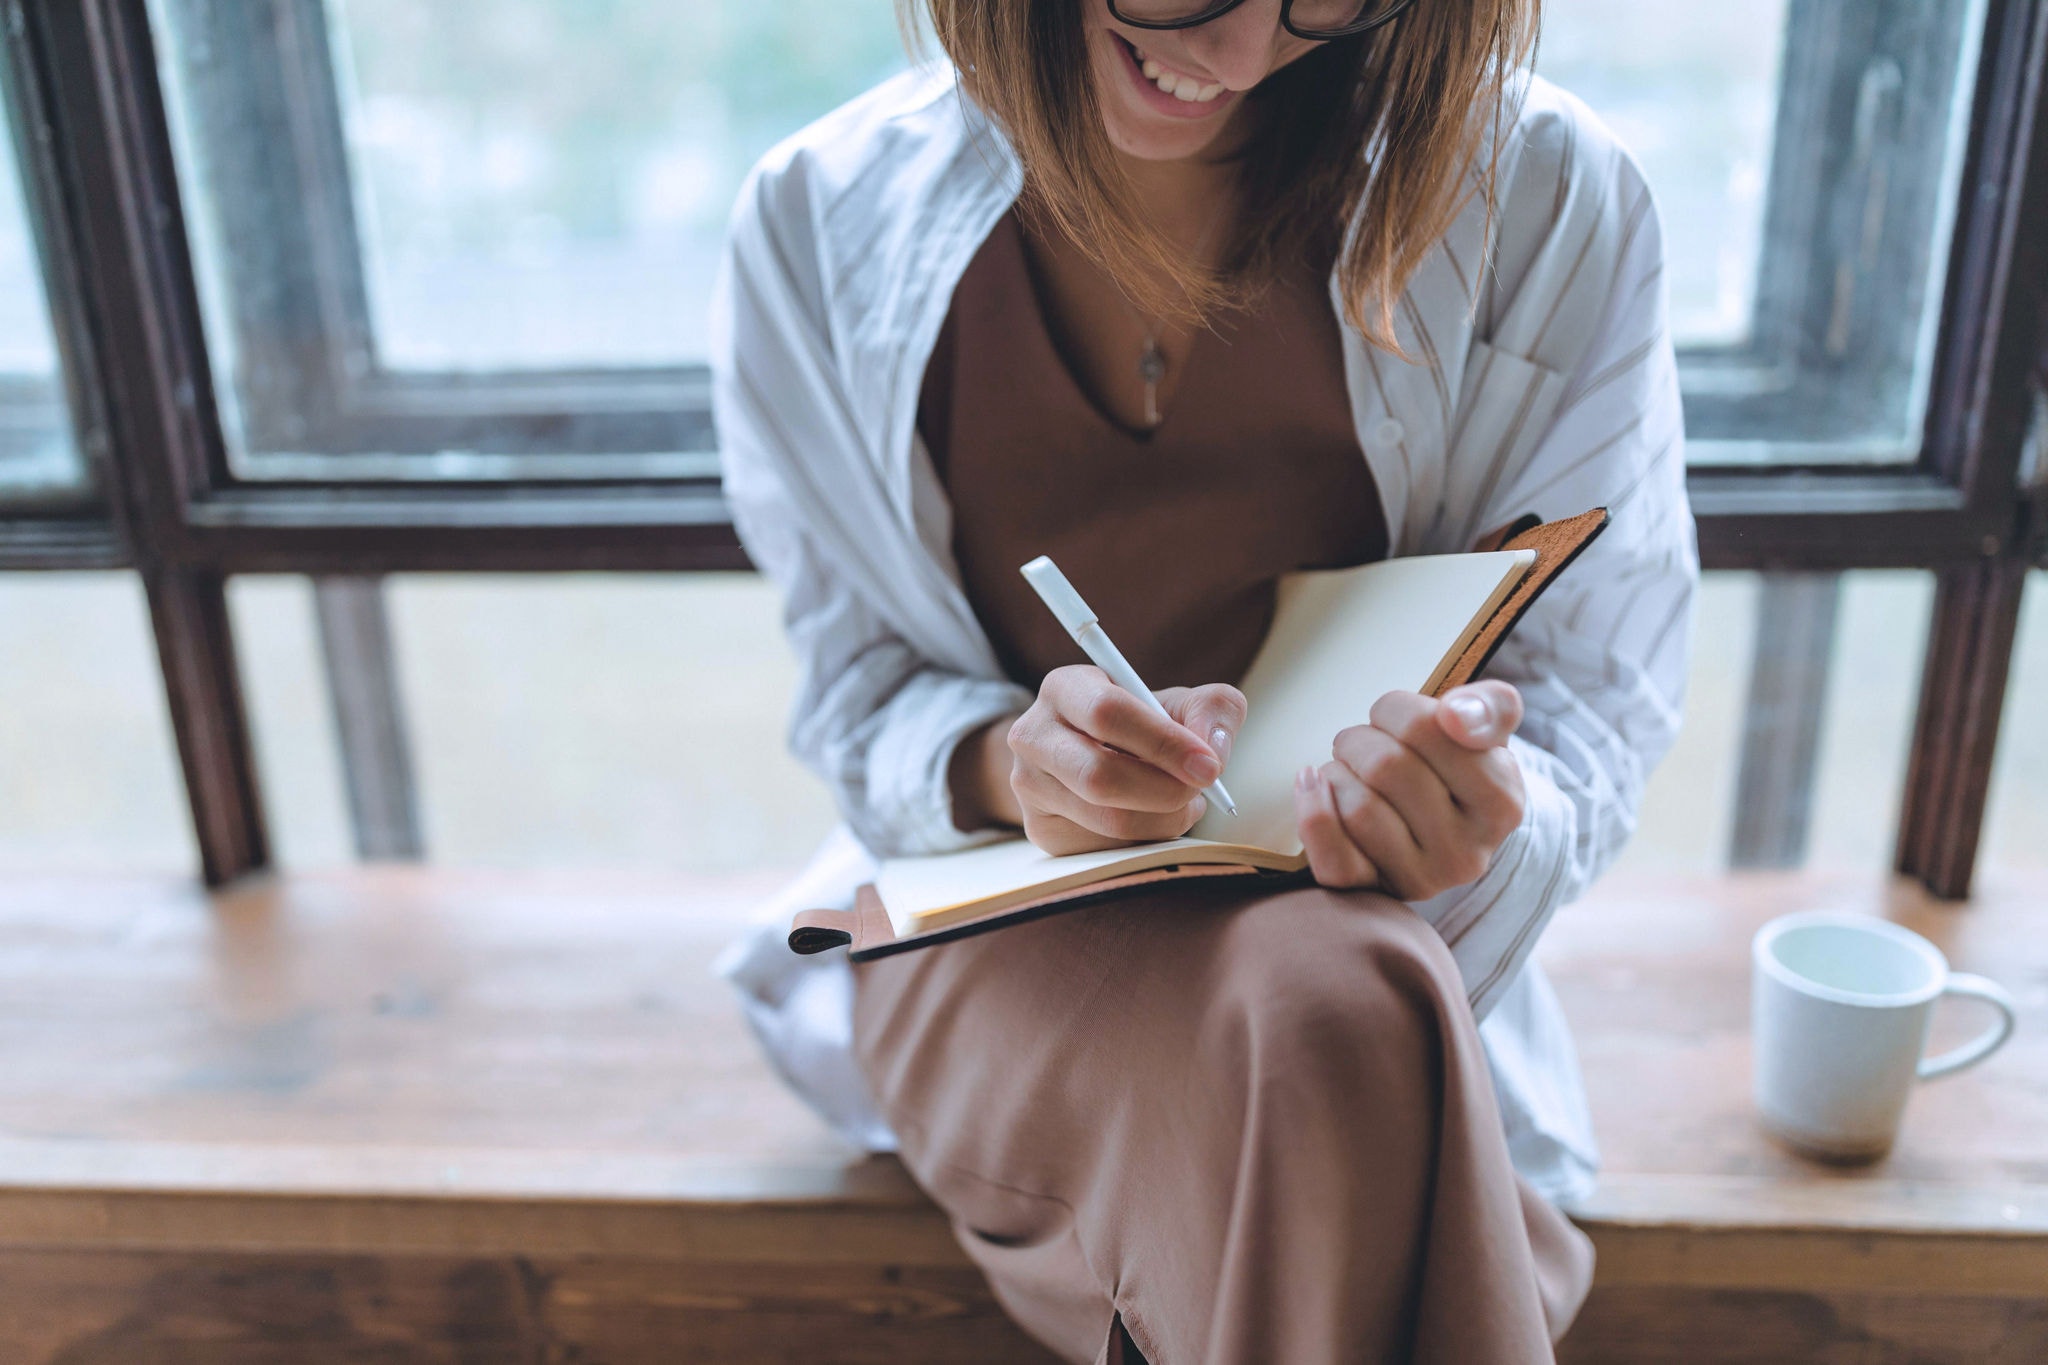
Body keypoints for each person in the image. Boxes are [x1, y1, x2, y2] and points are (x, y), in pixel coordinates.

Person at [712, 0, 1696, 1358]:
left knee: (1327, 997)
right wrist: (1014, 764)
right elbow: (859, 686)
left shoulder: (1547, 203)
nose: (1235, 53)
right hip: (991, 933)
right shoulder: (815, 225)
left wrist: (1475, 805)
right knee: (1343, 1026)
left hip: (1379, 944)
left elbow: (1592, 688)